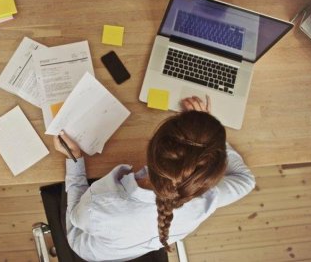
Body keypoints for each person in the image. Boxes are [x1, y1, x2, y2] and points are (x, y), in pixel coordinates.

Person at [53, 95, 255, 262]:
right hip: (135, 247)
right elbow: (246, 181)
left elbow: (76, 220)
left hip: (87, 249)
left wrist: (75, 160)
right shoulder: (206, 201)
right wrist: (209, 139)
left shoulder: (99, 205)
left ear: (152, 146)